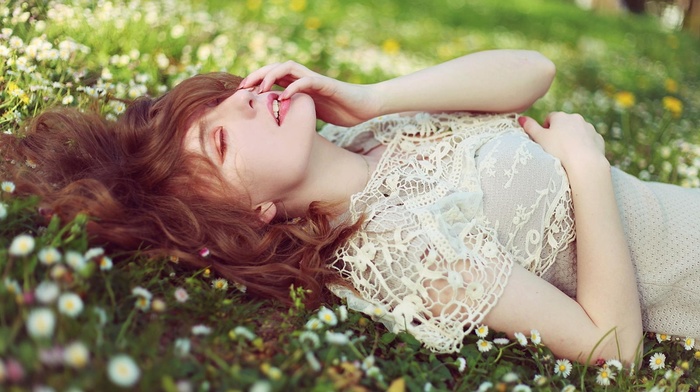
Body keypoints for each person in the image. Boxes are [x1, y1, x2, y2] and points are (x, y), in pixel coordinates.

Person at [2, 49, 698, 366]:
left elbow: (532, 71)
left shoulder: (367, 132)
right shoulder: (401, 251)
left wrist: (371, 95)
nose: (244, 100)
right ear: (253, 214)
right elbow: (614, 349)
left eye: (222, 99)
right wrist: (587, 168)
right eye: (220, 139)